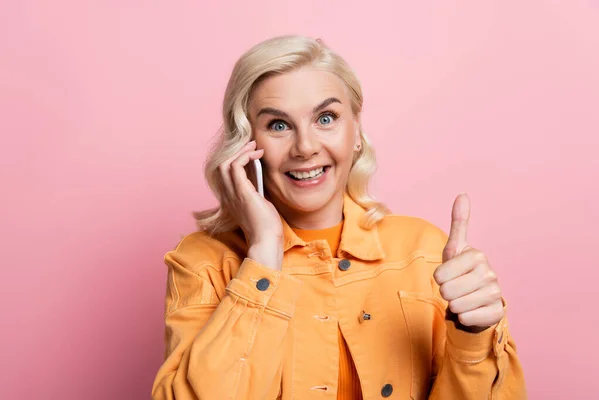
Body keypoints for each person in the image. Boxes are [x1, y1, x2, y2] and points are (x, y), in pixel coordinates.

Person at [152, 35, 526, 400]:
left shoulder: (426, 252)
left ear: (356, 131)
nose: (306, 147)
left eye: (326, 118)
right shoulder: (201, 262)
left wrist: (474, 335)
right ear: (247, 144)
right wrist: (263, 255)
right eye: (278, 126)